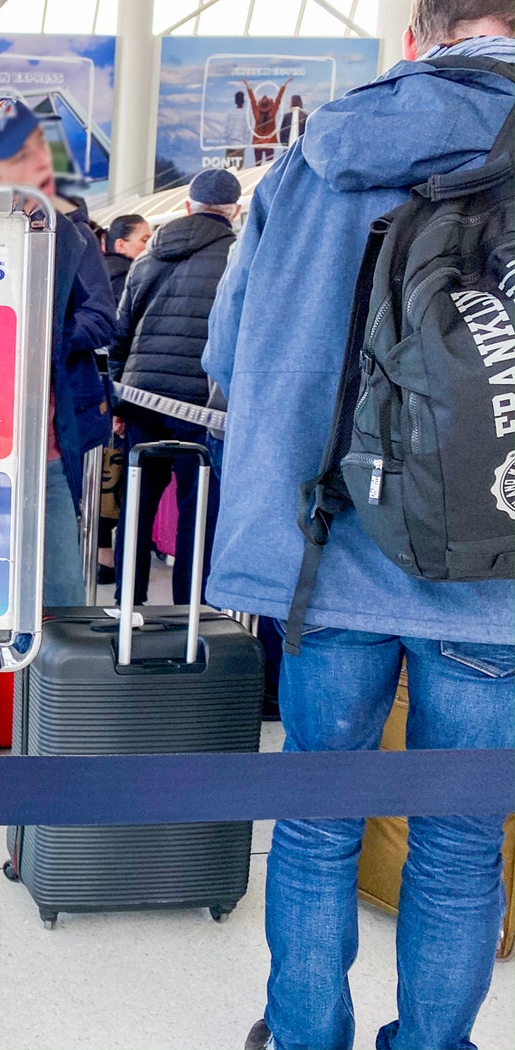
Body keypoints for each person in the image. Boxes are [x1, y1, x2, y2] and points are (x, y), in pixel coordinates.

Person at [200, 2, 515, 1046]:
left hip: (326, 546)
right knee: (462, 842)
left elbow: (227, 358)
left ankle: (301, 1036)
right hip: (497, 571)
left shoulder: (319, 151)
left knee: (316, 819)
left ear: (421, 36)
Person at [0, 95, 117, 756]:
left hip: (47, 449)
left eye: (40, 144)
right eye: (20, 154)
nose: (41, 161)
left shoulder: (73, 232)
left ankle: (57, 725)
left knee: (63, 598)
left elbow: (105, 318)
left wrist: (35, 337)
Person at [109, 169, 237, 606]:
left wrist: (120, 400)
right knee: (196, 511)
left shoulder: (148, 257)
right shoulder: (238, 258)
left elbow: (121, 331)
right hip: (202, 406)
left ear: (187, 206)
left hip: (142, 397)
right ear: (234, 211)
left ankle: (128, 601)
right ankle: (190, 611)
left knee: (137, 506)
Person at [103, 213, 150, 305]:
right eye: (145, 240)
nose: (150, 245)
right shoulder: (127, 281)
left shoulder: (102, 274)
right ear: (121, 245)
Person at [243, 76, 293, 163]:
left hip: (258, 144)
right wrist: (285, 84)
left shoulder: (257, 113)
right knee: (268, 166)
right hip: (269, 143)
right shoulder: (272, 113)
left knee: (257, 165)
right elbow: (278, 99)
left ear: (260, 105)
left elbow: (252, 101)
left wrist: (247, 86)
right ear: (270, 105)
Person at [223, 89, 252, 168]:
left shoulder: (230, 113)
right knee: (238, 171)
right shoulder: (246, 114)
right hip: (240, 146)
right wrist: (245, 144)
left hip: (230, 145)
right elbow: (248, 131)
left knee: (227, 169)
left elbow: (226, 130)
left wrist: (228, 141)